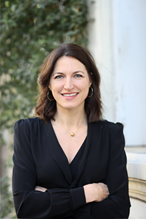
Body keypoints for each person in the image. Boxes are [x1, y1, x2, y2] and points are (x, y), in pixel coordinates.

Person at [12, 43, 131, 219]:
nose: (68, 85)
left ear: (90, 80)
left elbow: (119, 211)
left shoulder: (110, 135)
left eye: (77, 75)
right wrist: (87, 194)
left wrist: (50, 201)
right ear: (49, 84)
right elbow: (25, 207)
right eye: (59, 76)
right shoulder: (27, 132)